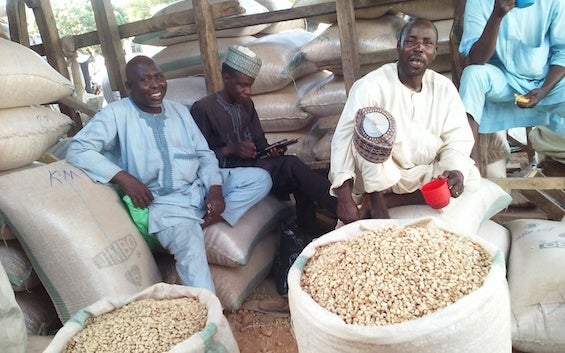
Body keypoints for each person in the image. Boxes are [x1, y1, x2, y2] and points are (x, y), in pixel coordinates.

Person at [66, 55, 272, 293]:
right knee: (192, 250)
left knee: (260, 178)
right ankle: (213, 316)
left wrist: (215, 190)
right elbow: (78, 149)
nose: (155, 84)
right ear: (129, 87)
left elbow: (204, 154)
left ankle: (211, 217)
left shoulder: (179, 111)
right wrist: (123, 177)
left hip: (198, 188)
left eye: (159, 77)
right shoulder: (115, 114)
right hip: (165, 204)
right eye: (145, 80)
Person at [190, 45, 338, 295]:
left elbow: (260, 144)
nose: (247, 91)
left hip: (255, 166)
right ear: (225, 77)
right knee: (292, 167)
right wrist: (232, 149)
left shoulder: (247, 105)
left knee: (291, 167)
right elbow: (198, 159)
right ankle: (341, 209)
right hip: (228, 175)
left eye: (250, 86)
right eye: (242, 85)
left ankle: (307, 227)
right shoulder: (203, 109)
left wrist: (270, 151)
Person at [330, 18, 481, 224]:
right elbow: (344, 139)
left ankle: (391, 200)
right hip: (381, 175)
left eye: (427, 43)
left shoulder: (444, 88)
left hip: (421, 174)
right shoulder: (370, 85)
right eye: (411, 41)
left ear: (435, 51)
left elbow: (458, 138)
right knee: (370, 132)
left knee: (469, 176)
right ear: (398, 46)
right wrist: (344, 197)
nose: (419, 48)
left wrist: (454, 170)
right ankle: (377, 202)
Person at [458, 0, 565, 163]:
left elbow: (562, 52)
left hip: (546, 81)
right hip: (503, 80)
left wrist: (544, 90)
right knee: (472, 75)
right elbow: (476, 58)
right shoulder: (478, 2)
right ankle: (466, 163)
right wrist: (497, 15)